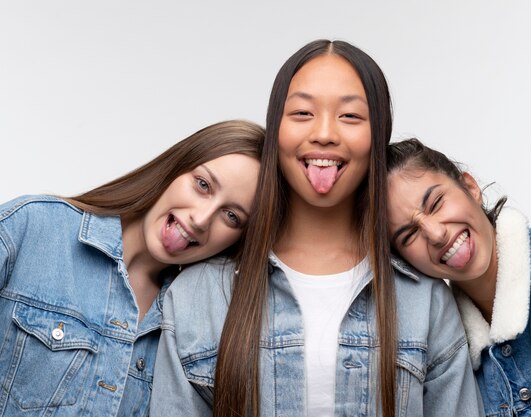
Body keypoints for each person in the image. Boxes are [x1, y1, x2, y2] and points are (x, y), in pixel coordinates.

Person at [151, 40, 483, 417]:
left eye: (350, 117)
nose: (324, 133)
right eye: (303, 113)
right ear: (276, 129)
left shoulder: (423, 300)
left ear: (378, 137)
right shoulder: (198, 296)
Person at [0, 119, 264, 417]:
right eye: (202, 185)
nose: (201, 219)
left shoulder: (191, 327)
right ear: (174, 168)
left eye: (231, 216)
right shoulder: (32, 227)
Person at [386, 138, 531, 417]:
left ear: (470, 187)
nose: (436, 234)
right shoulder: (446, 359)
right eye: (409, 235)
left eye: (436, 203)